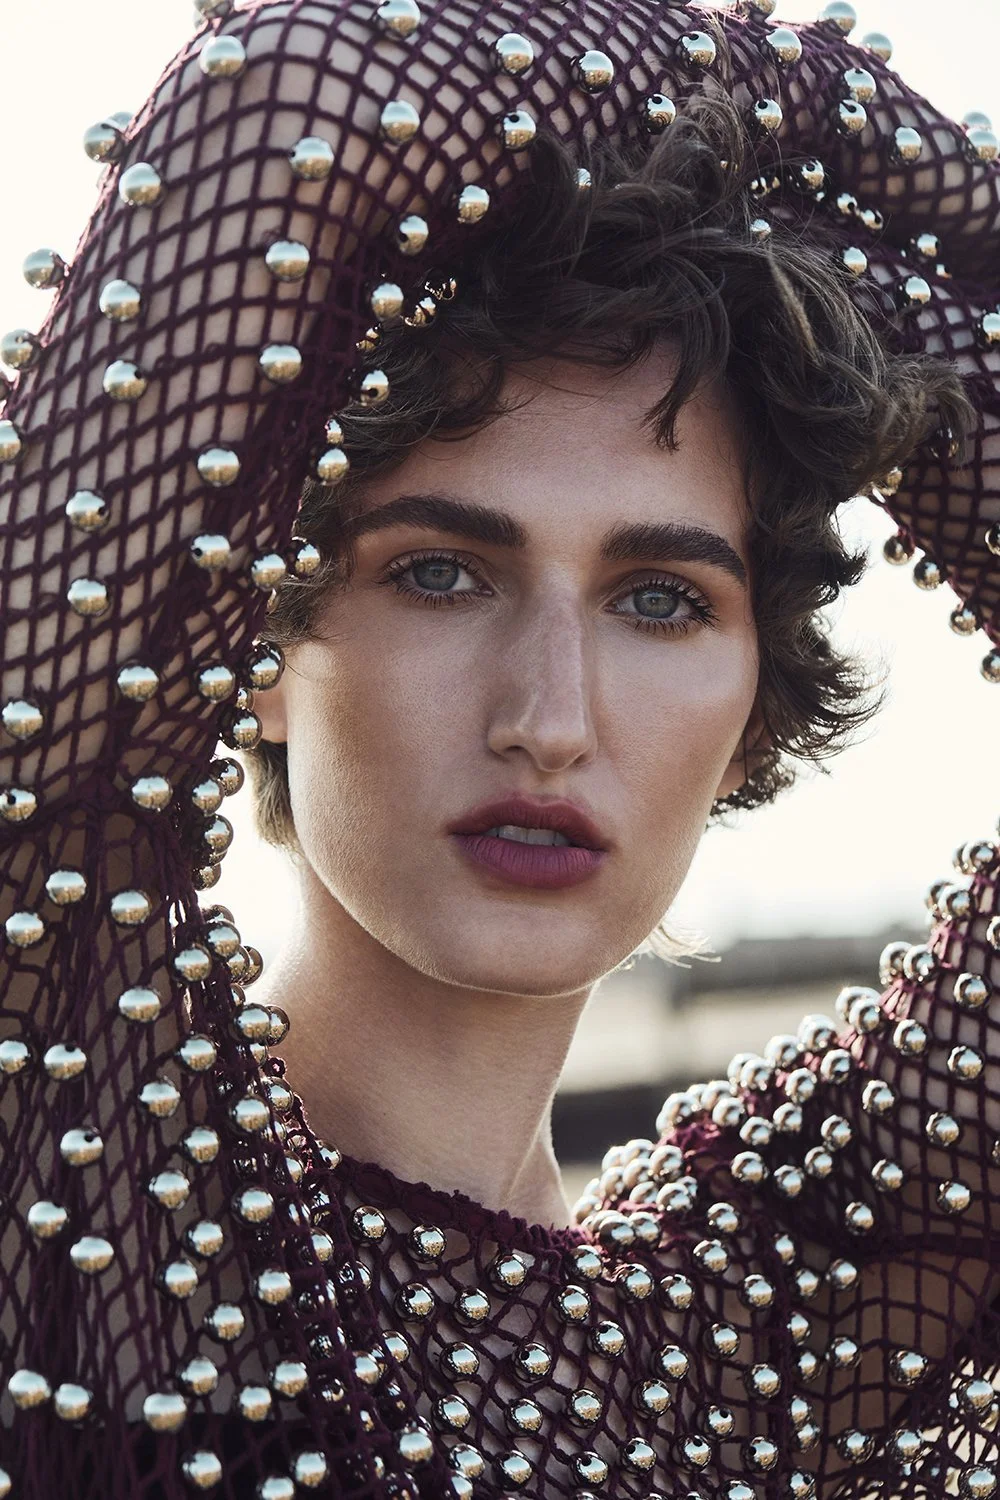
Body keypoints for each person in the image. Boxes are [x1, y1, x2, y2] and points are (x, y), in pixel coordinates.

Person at [0, 0, 997, 1497]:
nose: (549, 715)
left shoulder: (751, 1362)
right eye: (440, 573)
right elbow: (300, 93)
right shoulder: (74, 1138)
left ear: (750, 704)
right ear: (251, 647)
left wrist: (848, 296)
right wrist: (867, 157)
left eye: (660, 600)